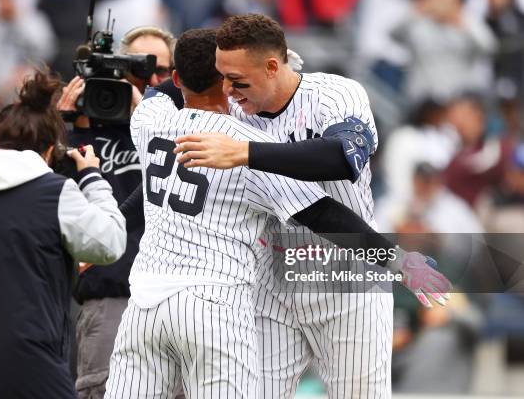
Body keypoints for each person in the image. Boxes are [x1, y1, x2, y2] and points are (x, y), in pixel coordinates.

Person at [104, 28, 451, 398]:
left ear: (271, 67)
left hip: (347, 280)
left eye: (237, 80)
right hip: (272, 283)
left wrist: (247, 152)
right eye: (225, 78)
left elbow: (341, 160)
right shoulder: (231, 106)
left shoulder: (333, 93)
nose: (232, 92)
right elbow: (180, 110)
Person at [0, 70, 127, 398]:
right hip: (27, 374)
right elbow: (111, 243)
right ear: (50, 150)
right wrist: (92, 176)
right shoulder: (56, 192)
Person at [57, 25, 178, 399]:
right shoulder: (82, 127)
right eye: (141, 71)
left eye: (161, 72)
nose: (151, 81)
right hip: (109, 295)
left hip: (170, 297)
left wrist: (150, 125)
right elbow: (49, 200)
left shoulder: (181, 128)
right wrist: (63, 129)